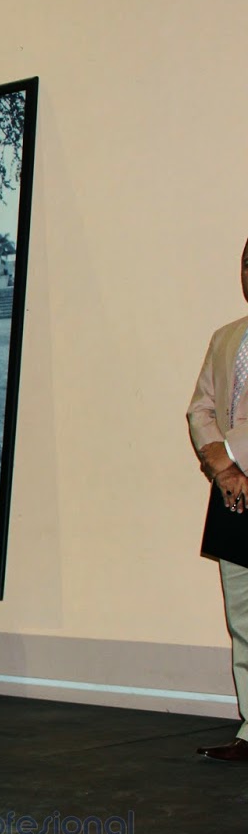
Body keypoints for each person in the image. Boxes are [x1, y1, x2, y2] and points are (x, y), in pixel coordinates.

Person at [186, 236, 248, 763]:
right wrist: (223, 467)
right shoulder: (227, 338)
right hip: (233, 493)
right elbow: (200, 409)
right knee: (244, 619)